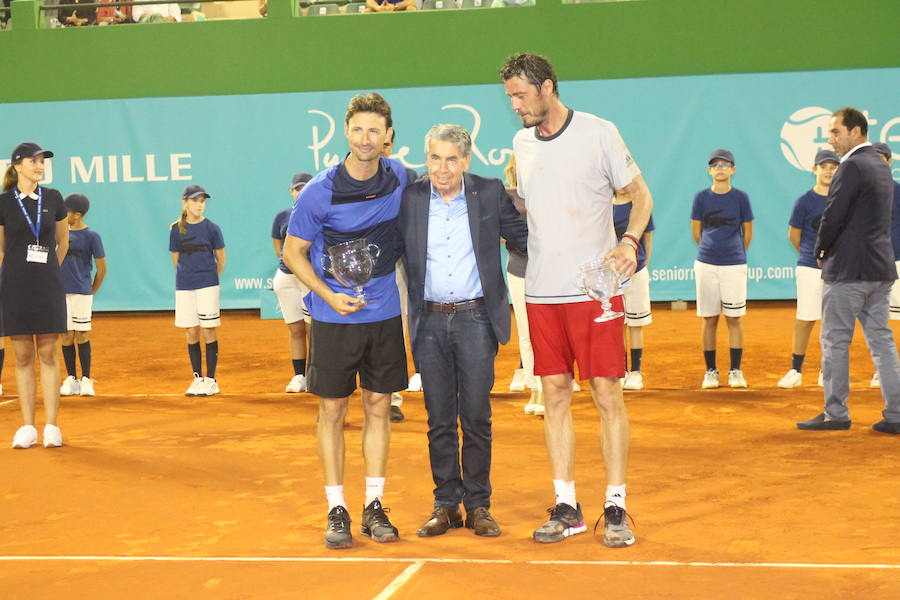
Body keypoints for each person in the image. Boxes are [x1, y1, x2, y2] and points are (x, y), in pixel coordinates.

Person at [501, 53, 653, 547]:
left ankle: (616, 505)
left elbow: (640, 195)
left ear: (547, 87)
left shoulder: (598, 132)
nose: (515, 105)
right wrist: (513, 198)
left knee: (607, 394)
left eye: (521, 95)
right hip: (542, 291)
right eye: (509, 97)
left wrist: (629, 242)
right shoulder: (521, 143)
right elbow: (531, 203)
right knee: (556, 395)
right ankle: (566, 504)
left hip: (595, 290)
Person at [283, 93, 411, 549]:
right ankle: (336, 508)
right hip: (333, 317)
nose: (365, 138)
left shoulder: (400, 178)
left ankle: (373, 505)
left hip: (384, 315)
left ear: (388, 137)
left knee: (379, 408)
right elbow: (292, 252)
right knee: (333, 411)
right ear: (346, 133)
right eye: (358, 129)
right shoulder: (321, 189)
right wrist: (327, 295)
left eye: (374, 130)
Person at [400, 124, 527, 538]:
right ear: (426, 160)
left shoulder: (488, 192)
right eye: (435, 158)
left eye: (451, 158)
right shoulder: (411, 197)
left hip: (475, 320)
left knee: (475, 417)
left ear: (467, 160)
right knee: (438, 418)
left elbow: (524, 239)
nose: (442, 168)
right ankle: (446, 504)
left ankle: (478, 504)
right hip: (430, 321)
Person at [797, 108, 900, 434]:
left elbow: (834, 214)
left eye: (836, 132)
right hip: (880, 268)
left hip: (849, 271)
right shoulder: (882, 166)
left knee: (835, 342)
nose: (831, 139)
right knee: (882, 342)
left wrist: (820, 250)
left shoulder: (852, 165)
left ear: (856, 132)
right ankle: (896, 414)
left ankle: (835, 414)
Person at [1, 142, 69, 449]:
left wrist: (48, 272)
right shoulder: (3, 203)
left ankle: (51, 426)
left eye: (42, 161)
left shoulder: (54, 198)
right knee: (23, 357)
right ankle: (28, 426)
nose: (40, 166)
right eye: (34, 161)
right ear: (18, 166)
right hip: (15, 286)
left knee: (48, 354)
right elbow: (2, 247)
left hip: (47, 286)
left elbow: (62, 242)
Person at [690, 149, 753, 389]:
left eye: (725, 165)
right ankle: (711, 371)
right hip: (706, 264)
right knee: (709, 319)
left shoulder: (741, 198)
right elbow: (697, 232)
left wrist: (735, 251)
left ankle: (735, 370)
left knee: (735, 318)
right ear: (709, 170)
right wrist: (711, 249)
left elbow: (747, 232)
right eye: (715, 165)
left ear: (733, 170)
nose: (720, 169)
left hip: (734, 264)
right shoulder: (700, 198)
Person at [776, 149, 839, 388]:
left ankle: (827, 371)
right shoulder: (804, 201)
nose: (828, 171)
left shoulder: (844, 201)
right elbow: (795, 236)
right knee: (805, 319)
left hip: (838, 271)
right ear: (815, 169)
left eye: (833, 167)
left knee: (832, 322)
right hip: (809, 268)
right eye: (824, 166)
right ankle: (796, 370)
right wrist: (812, 255)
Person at [169, 184, 225, 397]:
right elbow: (176, 260)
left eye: (202, 201)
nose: (200, 204)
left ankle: (211, 380)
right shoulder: (175, 229)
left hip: (208, 285)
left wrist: (208, 279)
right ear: (185, 203)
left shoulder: (212, 228)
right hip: (184, 287)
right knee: (191, 331)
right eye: (195, 200)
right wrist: (189, 276)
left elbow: (221, 259)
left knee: (209, 329)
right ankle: (197, 378)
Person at [503, 155, 542, 414]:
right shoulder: (504, 196)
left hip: (548, 272)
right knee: (527, 333)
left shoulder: (549, 192)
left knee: (547, 332)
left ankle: (552, 387)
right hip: (518, 270)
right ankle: (535, 389)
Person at [59, 194, 107, 397]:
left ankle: (86, 379)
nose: (63, 214)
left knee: (81, 334)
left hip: (82, 293)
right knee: (66, 335)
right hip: (60, 293)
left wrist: (91, 291)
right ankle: (71, 378)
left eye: (67, 211)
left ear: (77, 215)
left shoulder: (92, 236)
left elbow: (102, 268)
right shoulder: (58, 233)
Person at [272, 172, 313, 393]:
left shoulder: (318, 214)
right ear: (291, 191)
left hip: (308, 278)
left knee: (312, 329)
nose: (300, 192)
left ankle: (316, 375)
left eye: (305, 188)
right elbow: (279, 247)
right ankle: (299, 376)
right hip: (286, 278)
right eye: (297, 188)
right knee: (295, 328)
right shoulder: (281, 217)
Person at [614, 196, 655, 390]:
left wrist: (644, 260)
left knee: (636, 323)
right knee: (617, 324)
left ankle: (636, 372)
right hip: (611, 272)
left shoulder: (640, 203)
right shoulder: (603, 202)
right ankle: (621, 371)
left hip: (636, 270)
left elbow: (647, 233)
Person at [869, 142, 899, 389]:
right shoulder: (863, 191)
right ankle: (881, 371)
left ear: (889, 162)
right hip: (872, 263)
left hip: (897, 261)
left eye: (882, 158)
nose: (878, 161)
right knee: (879, 321)